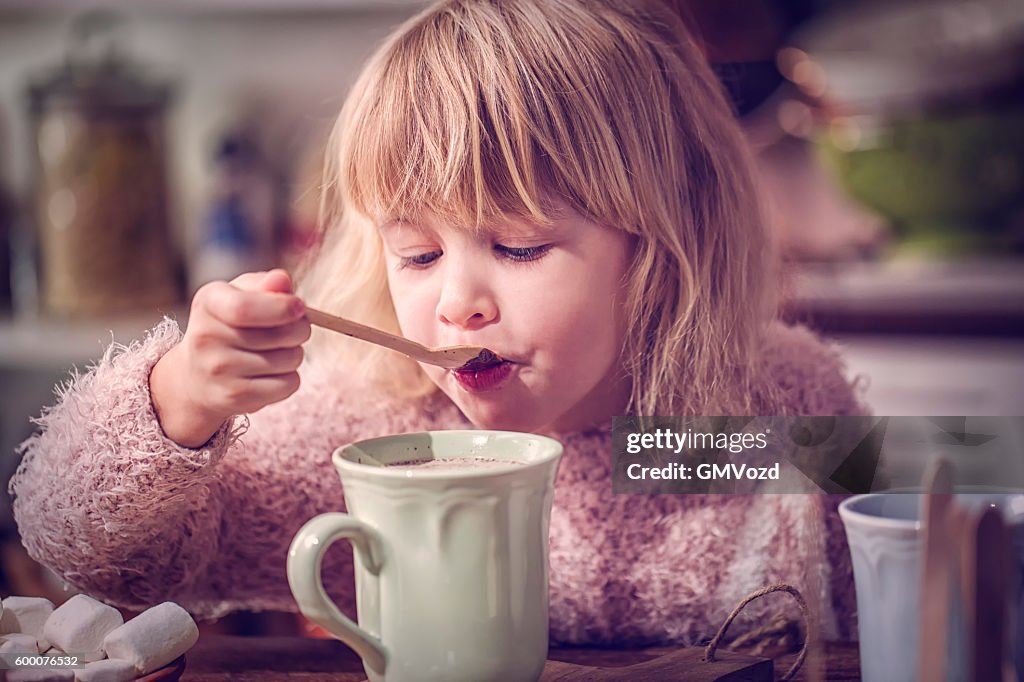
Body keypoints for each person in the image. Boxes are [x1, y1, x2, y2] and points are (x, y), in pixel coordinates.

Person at [10, 0, 867, 647]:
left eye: (521, 246)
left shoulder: (752, 414)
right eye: (417, 256)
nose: (458, 303)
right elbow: (89, 552)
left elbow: (926, 532)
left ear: (665, 246)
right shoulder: (379, 430)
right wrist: (179, 401)